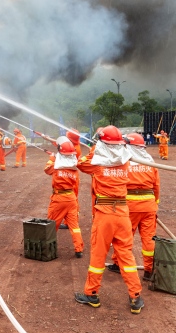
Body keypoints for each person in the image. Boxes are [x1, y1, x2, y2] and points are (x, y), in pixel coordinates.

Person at [74, 125, 144, 314]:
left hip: (105, 213)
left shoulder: (96, 163)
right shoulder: (125, 161)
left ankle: (92, 293)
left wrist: (95, 149)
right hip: (122, 213)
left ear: (102, 144)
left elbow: (81, 163)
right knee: (126, 256)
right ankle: (136, 296)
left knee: (98, 255)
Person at [106, 133, 160, 282]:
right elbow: (156, 186)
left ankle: (118, 264)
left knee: (123, 237)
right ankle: (149, 270)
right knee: (149, 240)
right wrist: (155, 204)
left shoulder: (125, 163)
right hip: (149, 206)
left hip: (130, 206)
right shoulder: (151, 162)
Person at [44, 140, 84, 258]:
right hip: (71, 198)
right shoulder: (74, 168)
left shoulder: (56, 167)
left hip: (59, 198)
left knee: (51, 225)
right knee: (74, 226)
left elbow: (47, 169)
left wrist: (52, 158)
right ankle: (79, 249)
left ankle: (47, 248)